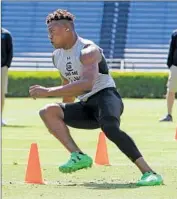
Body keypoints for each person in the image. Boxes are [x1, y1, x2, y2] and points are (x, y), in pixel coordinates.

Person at [29, 9, 163, 186]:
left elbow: (87, 84)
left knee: (110, 129)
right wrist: (62, 116)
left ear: (67, 29)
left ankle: (150, 173)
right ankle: (78, 156)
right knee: (48, 111)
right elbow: (67, 85)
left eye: (52, 31)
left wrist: (47, 91)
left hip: (106, 97)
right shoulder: (56, 57)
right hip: (86, 105)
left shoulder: (88, 50)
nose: (49, 36)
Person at [159, 29, 177, 122]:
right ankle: (169, 115)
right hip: (176, 67)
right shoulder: (175, 34)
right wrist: (170, 65)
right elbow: (171, 50)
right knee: (170, 91)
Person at [1, 27, 13, 126]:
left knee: (1, 94)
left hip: (2, 67)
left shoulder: (6, 34)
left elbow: (10, 51)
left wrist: (6, 65)